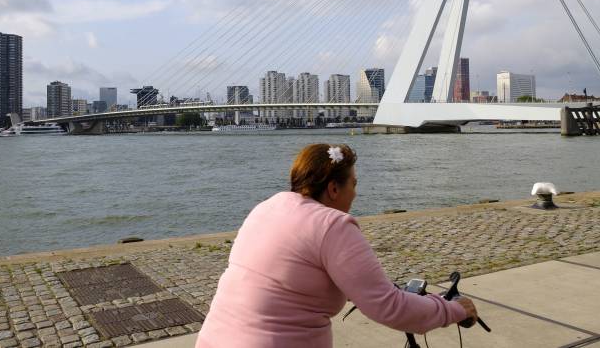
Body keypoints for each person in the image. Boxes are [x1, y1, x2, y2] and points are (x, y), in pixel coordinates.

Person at [196, 143, 477, 347]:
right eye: (353, 184)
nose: (355, 193)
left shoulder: (268, 206)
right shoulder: (333, 225)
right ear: (333, 188)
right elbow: (390, 307)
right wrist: (454, 310)